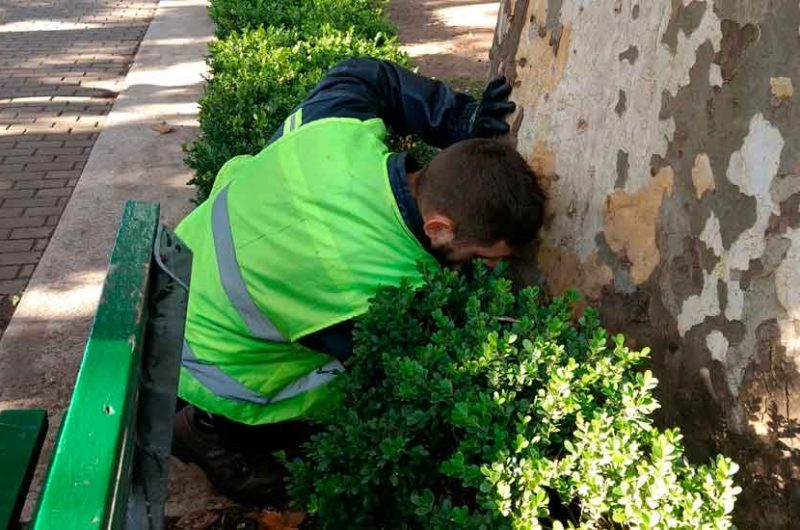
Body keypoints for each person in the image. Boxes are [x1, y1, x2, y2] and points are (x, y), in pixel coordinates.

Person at [170, 57, 546, 503]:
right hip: (200, 361)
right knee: (339, 395)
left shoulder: (337, 129)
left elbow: (363, 74)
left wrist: (457, 118)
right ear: (438, 228)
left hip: (178, 270)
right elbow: (396, 377)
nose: (489, 270)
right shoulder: (364, 290)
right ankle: (209, 431)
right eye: (483, 257)